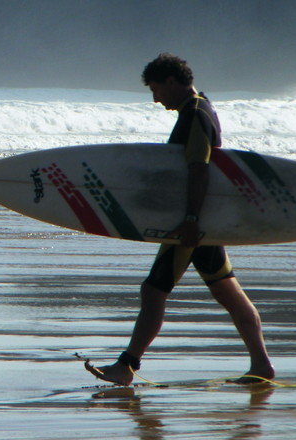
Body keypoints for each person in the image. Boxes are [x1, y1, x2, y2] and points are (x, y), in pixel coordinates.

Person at [86, 53, 274, 386]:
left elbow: (199, 168)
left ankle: (127, 366)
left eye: (156, 90)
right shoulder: (199, 108)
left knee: (153, 290)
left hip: (191, 225)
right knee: (229, 293)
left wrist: (190, 219)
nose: (155, 99)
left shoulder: (197, 114)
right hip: (202, 221)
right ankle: (261, 365)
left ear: (172, 82)